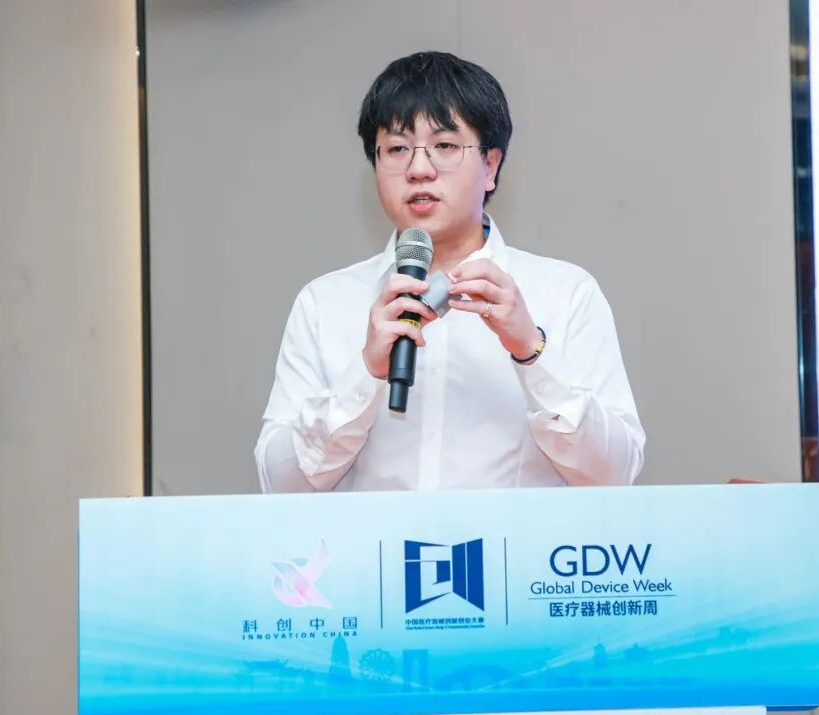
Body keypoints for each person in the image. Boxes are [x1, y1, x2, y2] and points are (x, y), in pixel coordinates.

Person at [254, 51, 644, 493]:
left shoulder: (566, 293)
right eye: (397, 149)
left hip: (511, 541)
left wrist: (530, 351)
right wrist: (365, 372)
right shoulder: (324, 303)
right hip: (375, 541)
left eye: (444, 146)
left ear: (490, 166)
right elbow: (279, 486)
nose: (419, 169)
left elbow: (615, 475)